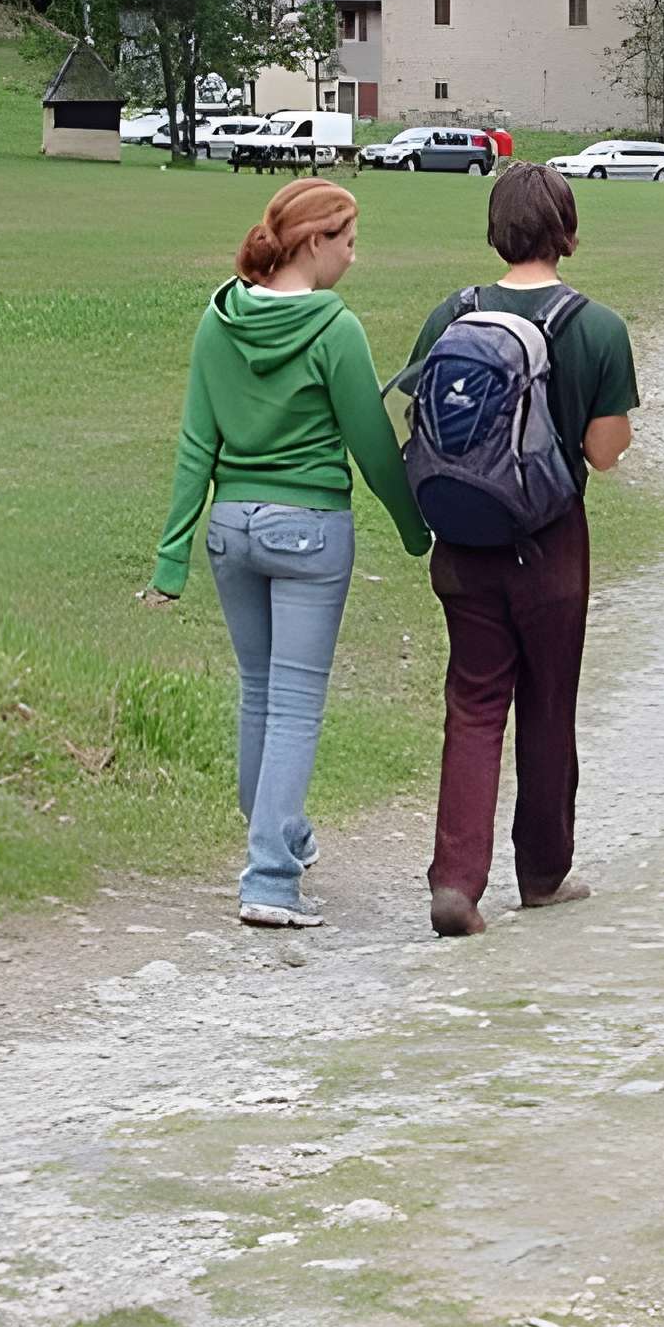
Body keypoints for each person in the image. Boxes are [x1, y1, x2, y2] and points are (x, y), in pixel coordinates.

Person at [144, 177, 430, 929]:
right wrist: (415, 528)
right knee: (296, 707)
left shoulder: (219, 317)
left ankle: (286, 835)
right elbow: (371, 444)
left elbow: (195, 444)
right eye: (347, 242)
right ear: (312, 243)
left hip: (231, 531)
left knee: (259, 696)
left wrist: (171, 560)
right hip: (308, 532)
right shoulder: (335, 330)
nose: (353, 258)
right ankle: (270, 880)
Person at [405, 162, 637, 938]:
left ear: (497, 227)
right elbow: (604, 455)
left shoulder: (453, 313)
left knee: (473, 705)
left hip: (462, 540)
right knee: (547, 705)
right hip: (549, 547)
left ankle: (455, 882)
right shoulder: (596, 327)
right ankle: (541, 875)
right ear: (567, 231)